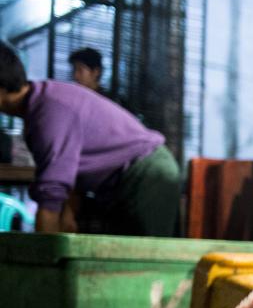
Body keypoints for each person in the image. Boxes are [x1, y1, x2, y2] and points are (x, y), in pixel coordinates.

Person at [0, 42, 180, 236]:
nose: (76, 75)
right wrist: (68, 212)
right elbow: (66, 170)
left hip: (147, 173)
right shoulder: (40, 105)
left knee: (146, 258)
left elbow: (51, 195)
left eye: (81, 69)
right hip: (125, 180)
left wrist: (44, 257)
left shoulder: (49, 110)